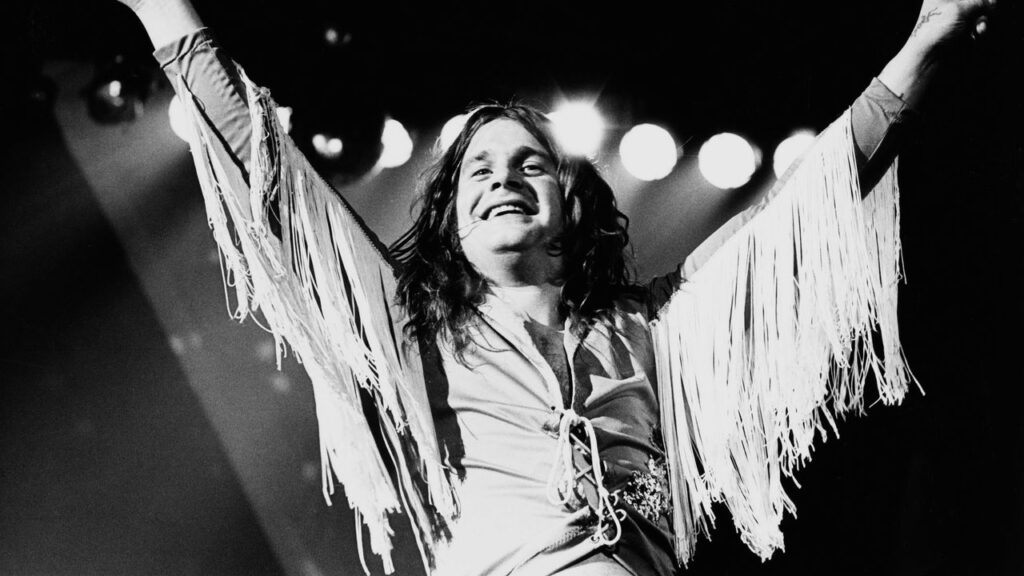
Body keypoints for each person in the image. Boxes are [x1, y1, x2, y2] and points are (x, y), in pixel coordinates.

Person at [115, 1, 998, 575]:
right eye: (478, 171)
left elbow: (807, 205)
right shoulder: (405, 318)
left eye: (529, 164)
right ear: (451, 220)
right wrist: (165, 14)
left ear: (573, 203)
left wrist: (929, 38)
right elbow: (274, 173)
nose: (503, 178)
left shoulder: (656, 321)